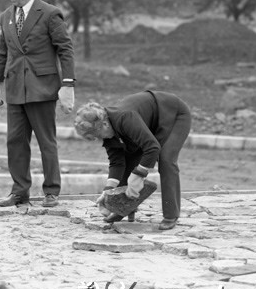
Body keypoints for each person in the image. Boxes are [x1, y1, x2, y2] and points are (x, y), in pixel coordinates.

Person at [0, 0, 75, 208]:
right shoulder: (6, 16)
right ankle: (19, 192)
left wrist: (67, 85)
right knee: (15, 141)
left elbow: (65, 49)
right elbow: (2, 52)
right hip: (15, 89)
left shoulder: (49, 13)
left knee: (46, 141)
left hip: (43, 88)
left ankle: (51, 192)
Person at [74, 91, 192, 230]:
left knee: (166, 159)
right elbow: (117, 163)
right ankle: (125, 209)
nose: (100, 139)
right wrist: (108, 192)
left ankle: (171, 214)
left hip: (173, 115)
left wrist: (139, 176)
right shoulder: (108, 131)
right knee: (130, 159)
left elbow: (152, 148)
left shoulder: (125, 118)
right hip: (149, 124)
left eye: (98, 135)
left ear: (104, 124)